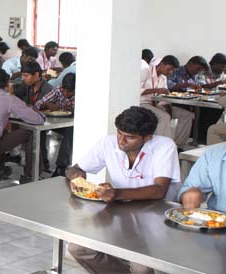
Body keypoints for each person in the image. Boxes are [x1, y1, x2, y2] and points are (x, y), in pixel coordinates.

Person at [65, 106, 180, 274]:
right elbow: (74, 169)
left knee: (141, 269)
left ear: (147, 137)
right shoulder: (108, 143)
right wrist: (77, 177)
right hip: (120, 213)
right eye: (119, 133)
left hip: (155, 217)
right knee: (78, 248)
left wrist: (117, 193)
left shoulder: (164, 146)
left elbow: (159, 190)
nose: (121, 141)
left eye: (130, 137)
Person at [140, 55, 194, 146]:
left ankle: (178, 145)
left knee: (186, 115)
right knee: (164, 116)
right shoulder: (145, 72)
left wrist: (167, 106)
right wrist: (155, 90)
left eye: (172, 70)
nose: (170, 72)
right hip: (143, 103)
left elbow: (164, 95)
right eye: (169, 69)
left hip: (157, 104)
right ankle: (162, 146)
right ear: (162, 64)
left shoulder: (163, 77)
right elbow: (136, 90)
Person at [36, 73, 76, 176]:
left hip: (72, 125)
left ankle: (61, 167)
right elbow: (38, 104)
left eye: (69, 92)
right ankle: (42, 161)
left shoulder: (81, 93)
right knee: (40, 128)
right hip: (57, 122)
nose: (66, 94)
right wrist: (47, 104)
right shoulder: (58, 90)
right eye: (64, 90)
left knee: (70, 131)